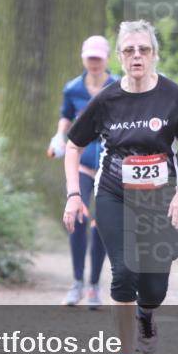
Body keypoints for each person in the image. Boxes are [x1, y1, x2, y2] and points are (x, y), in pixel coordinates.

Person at [63, 20, 178, 354]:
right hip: (113, 194)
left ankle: (146, 313)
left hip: (161, 200)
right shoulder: (107, 98)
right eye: (129, 50)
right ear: (120, 57)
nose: (136, 56)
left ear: (154, 54)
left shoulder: (172, 95)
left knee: (154, 288)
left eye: (143, 50)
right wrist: (73, 194)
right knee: (123, 273)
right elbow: (73, 145)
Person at [48, 35, 117, 308]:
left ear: (107, 58)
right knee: (76, 217)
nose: (95, 63)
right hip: (83, 165)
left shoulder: (118, 87)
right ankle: (77, 282)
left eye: (99, 58)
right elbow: (66, 115)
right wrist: (58, 136)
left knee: (101, 223)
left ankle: (93, 286)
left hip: (112, 167)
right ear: (83, 58)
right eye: (90, 58)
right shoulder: (73, 88)